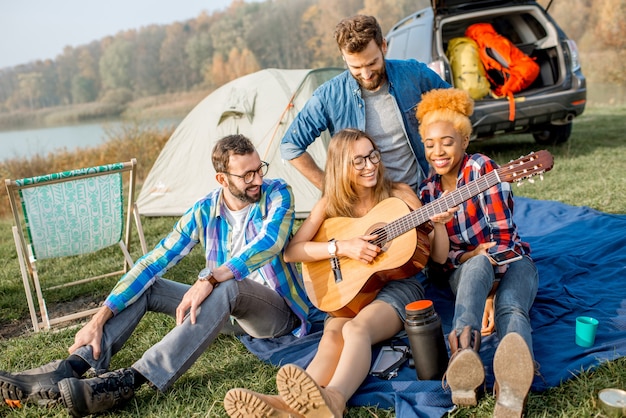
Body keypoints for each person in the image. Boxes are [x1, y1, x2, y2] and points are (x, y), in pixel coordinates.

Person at [0, 134, 316, 417]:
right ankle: (71, 367)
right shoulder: (204, 210)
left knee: (227, 284)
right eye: (247, 174)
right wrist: (98, 319)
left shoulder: (278, 193)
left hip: (274, 315)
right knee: (150, 286)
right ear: (222, 178)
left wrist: (208, 279)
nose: (257, 179)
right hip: (226, 312)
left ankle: (130, 380)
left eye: (259, 168)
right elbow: (153, 261)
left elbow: (269, 243)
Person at [223, 128, 455, 418]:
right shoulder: (330, 203)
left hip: (399, 287)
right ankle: (287, 405)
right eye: (358, 160)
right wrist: (342, 247)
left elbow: (439, 255)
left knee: (356, 330)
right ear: (341, 165)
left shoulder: (400, 194)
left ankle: (334, 399)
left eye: (372, 155)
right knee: (332, 335)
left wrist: (441, 224)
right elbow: (293, 251)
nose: (370, 165)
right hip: (350, 289)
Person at [416, 88, 538, 417]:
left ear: (464, 141)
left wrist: (490, 294)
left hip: (513, 263)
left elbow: (503, 240)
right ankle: (463, 363)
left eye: (447, 141)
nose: (437, 151)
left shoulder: (484, 171)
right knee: (476, 263)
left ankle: (512, 388)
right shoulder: (427, 191)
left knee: (511, 308)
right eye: (429, 144)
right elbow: (440, 262)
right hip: (467, 273)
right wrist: (464, 253)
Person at [280, 14, 450, 193]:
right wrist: (332, 191)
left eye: (372, 63)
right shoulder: (328, 96)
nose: (366, 74)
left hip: (423, 191)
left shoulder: (413, 74)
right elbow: (290, 146)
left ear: (383, 46)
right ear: (344, 58)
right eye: (356, 68)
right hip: (370, 208)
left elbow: (456, 105)